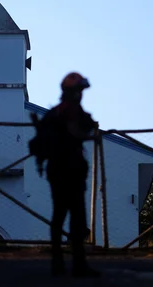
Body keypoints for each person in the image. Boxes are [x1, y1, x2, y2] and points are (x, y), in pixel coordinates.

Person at [36, 72, 100, 278]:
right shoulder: (69, 111)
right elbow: (76, 131)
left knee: (59, 216)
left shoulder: (55, 112)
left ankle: (58, 263)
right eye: (80, 90)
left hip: (56, 170)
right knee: (76, 217)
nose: (82, 94)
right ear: (74, 92)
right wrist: (90, 135)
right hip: (70, 171)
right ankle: (78, 265)